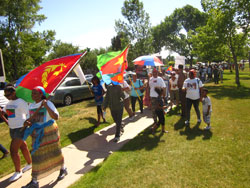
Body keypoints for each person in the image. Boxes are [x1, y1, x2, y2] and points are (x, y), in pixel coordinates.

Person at [22, 86, 67, 188]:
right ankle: (34, 181)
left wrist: (46, 106)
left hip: (50, 131)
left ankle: (63, 168)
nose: (32, 95)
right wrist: (27, 123)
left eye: (35, 93)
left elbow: (56, 117)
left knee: (55, 151)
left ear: (41, 94)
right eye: (32, 93)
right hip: (37, 133)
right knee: (36, 155)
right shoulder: (31, 105)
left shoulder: (48, 103)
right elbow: (32, 120)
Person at [0, 85, 32, 182]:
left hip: (20, 128)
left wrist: (27, 125)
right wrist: (3, 117)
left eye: (8, 95)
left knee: (13, 150)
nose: (7, 97)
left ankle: (18, 172)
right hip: (12, 129)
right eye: (5, 96)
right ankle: (30, 163)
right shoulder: (9, 103)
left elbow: (29, 114)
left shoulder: (21, 102)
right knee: (23, 146)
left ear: (14, 93)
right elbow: (7, 115)